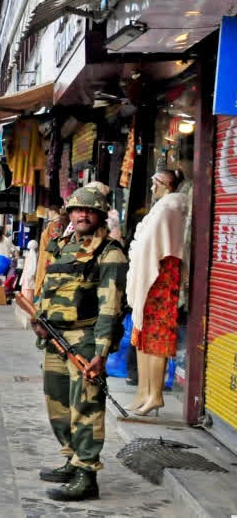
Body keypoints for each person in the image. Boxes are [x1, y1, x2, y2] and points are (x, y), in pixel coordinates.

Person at [33, 186, 127, 502]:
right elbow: (45, 288)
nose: (82, 215)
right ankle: (72, 460)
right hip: (55, 339)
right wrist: (39, 317)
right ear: (69, 214)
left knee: (85, 407)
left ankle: (87, 475)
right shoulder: (60, 246)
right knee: (58, 405)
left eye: (89, 210)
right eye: (76, 210)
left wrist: (100, 352)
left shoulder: (109, 252)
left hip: (85, 341)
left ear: (99, 214)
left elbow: (110, 307)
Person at [125, 170, 188, 416]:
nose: (151, 189)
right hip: (153, 279)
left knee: (156, 340)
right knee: (141, 337)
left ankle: (155, 395)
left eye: (154, 184)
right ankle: (144, 392)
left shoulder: (168, 208)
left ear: (164, 184)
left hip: (161, 278)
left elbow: (152, 246)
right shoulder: (162, 208)